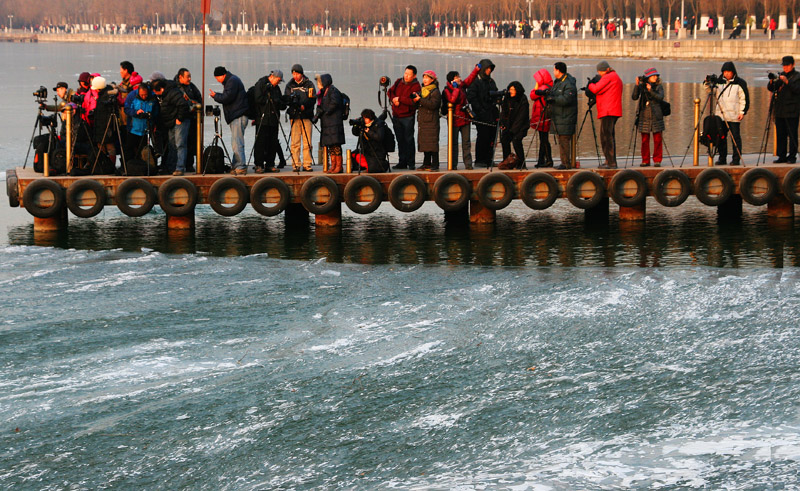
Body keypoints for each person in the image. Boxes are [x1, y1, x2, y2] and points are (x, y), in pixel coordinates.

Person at [704, 61, 748, 165]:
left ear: (733, 72)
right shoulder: (718, 82)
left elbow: (744, 99)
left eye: (729, 71)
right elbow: (710, 91)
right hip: (721, 116)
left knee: (735, 138)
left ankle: (736, 159)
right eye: (725, 72)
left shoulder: (740, 83)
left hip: (734, 115)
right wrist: (707, 83)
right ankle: (722, 158)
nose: (727, 74)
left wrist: (742, 112)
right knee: (721, 138)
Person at [210, 66, 249, 175]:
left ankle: (241, 166)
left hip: (238, 115)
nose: (217, 80)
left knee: (237, 142)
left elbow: (227, 97)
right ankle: (236, 165)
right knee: (235, 142)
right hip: (237, 115)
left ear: (221, 75)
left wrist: (215, 96)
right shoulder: (232, 80)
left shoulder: (232, 81)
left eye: (217, 78)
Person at [442, 64, 480, 170]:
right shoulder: (447, 90)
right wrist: (456, 89)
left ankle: (468, 164)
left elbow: (469, 79)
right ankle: (453, 165)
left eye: (459, 77)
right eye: (456, 77)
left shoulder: (461, 86)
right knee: (454, 144)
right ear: (451, 80)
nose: (459, 79)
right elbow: (452, 100)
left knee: (466, 143)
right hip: (454, 120)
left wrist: (476, 70)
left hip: (465, 118)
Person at [587, 60, 623, 169]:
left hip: (608, 110)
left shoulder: (609, 76)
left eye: (600, 72)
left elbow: (596, 88)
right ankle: (609, 160)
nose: (600, 75)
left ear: (605, 70)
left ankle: (611, 162)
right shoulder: (615, 77)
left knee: (606, 137)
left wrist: (590, 84)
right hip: (612, 109)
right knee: (608, 135)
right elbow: (603, 91)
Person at [153, 78, 191, 175]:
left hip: (179, 122)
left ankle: (180, 167)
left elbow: (183, 105)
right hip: (171, 123)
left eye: (156, 92)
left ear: (161, 89)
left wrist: (179, 118)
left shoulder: (172, 93)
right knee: (172, 145)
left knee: (180, 144)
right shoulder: (165, 94)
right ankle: (171, 167)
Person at [252, 69, 286, 173]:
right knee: (260, 142)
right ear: (272, 77)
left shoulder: (276, 89)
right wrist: (268, 99)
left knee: (273, 142)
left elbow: (280, 102)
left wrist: (281, 102)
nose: (278, 83)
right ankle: (259, 164)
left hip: (273, 119)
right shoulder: (261, 84)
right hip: (262, 118)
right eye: (278, 80)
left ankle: (270, 164)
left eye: (280, 81)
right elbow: (257, 99)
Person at [387, 65, 421, 170]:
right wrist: (393, 99)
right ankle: (402, 162)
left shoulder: (416, 87)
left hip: (408, 116)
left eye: (408, 74)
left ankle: (411, 163)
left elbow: (412, 102)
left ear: (414, 75)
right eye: (405, 73)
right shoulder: (398, 82)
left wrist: (400, 99)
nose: (406, 76)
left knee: (409, 140)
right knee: (400, 140)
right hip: (396, 115)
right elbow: (389, 92)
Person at [768, 56, 800, 163]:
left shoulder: (797, 77)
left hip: (792, 111)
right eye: (784, 66)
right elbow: (771, 88)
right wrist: (772, 81)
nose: (785, 68)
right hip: (780, 110)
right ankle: (781, 156)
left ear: (793, 65)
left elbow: (797, 90)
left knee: (792, 135)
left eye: (787, 65)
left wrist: (787, 82)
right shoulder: (781, 76)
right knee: (780, 135)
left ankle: (792, 157)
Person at [467, 59, 499, 167]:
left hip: (491, 113)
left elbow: (495, 93)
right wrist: (480, 110)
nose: (489, 71)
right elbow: (471, 97)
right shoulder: (475, 82)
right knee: (482, 137)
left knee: (491, 138)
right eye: (487, 68)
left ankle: (489, 159)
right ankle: (480, 160)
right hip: (481, 114)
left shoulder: (491, 81)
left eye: (490, 69)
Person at [284, 64, 316, 171]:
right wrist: (294, 105)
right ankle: (296, 164)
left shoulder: (309, 84)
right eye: (293, 74)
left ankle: (307, 164)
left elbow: (312, 99)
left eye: (297, 73)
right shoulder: (290, 85)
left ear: (301, 74)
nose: (295, 76)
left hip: (306, 115)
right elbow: (287, 99)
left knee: (307, 142)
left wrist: (304, 106)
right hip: (294, 116)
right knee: (295, 142)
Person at [632, 68, 666, 167]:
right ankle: (645, 160)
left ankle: (657, 160)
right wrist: (637, 85)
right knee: (644, 140)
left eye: (656, 76)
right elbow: (634, 97)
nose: (656, 77)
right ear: (648, 77)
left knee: (657, 139)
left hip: (656, 115)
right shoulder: (642, 86)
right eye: (653, 76)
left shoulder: (659, 86)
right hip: (644, 115)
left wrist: (650, 91)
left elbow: (660, 97)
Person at [547, 62, 578, 169]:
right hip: (559, 117)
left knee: (564, 141)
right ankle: (563, 162)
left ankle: (566, 164)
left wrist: (553, 99)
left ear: (558, 70)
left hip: (566, 117)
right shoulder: (558, 82)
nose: (553, 72)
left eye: (554, 70)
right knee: (561, 140)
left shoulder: (568, 83)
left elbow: (567, 99)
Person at [314, 73, 346, 174]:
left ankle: (339, 166)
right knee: (330, 146)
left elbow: (335, 103)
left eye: (320, 82)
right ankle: (333, 166)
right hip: (327, 123)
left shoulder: (333, 91)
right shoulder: (323, 92)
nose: (318, 84)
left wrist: (326, 111)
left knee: (336, 145)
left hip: (334, 122)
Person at [412, 70, 442, 171]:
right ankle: (426, 163)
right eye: (424, 77)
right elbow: (419, 105)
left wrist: (420, 99)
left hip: (432, 121)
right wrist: (415, 99)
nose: (424, 80)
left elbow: (433, 105)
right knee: (425, 143)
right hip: (423, 121)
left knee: (432, 144)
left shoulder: (435, 91)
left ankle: (435, 164)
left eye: (427, 78)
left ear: (432, 79)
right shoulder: (423, 90)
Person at [124, 82, 159, 164]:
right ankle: (128, 166)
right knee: (129, 148)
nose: (144, 97)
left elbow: (156, 111)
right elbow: (126, 109)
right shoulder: (131, 96)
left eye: (145, 95)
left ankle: (145, 166)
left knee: (144, 150)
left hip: (146, 129)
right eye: (142, 95)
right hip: (133, 128)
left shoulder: (153, 97)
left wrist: (151, 116)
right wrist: (136, 112)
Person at [174, 68, 202, 172]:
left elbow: (199, 98)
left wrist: (195, 104)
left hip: (192, 118)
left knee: (191, 142)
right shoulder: (175, 87)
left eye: (190, 76)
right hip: (180, 119)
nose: (189, 79)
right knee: (179, 143)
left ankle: (189, 164)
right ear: (180, 77)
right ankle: (178, 165)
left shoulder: (191, 87)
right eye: (187, 77)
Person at [498, 81, 529, 170]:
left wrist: (513, 130)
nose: (511, 91)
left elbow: (522, 117)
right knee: (504, 140)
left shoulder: (522, 99)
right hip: (509, 125)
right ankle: (507, 161)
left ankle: (521, 163)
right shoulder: (507, 99)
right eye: (510, 89)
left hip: (521, 127)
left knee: (516, 141)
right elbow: (504, 113)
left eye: (513, 90)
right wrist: (502, 123)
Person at [351, 109, 389, 173]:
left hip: (376, 151)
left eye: (366, 119)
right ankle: (361, 166)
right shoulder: (363, 125)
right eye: (363, 118)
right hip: (365, 150)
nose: (364, 120)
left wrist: (369, 132)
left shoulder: (378, 124)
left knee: (372, 167)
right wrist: (355, 125)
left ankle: (369, 167)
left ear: (370, 118)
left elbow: (379, 137)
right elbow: (355, 133)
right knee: (353, 155)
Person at [529, 69, 553, 168]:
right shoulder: (550, 87)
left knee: (543, 139)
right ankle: (545, 159)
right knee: (544, 139)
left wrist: (535, 87)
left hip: (542, 117)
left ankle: (544, 160)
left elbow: (532, 95)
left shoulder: (542, 88)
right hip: (544, 116)